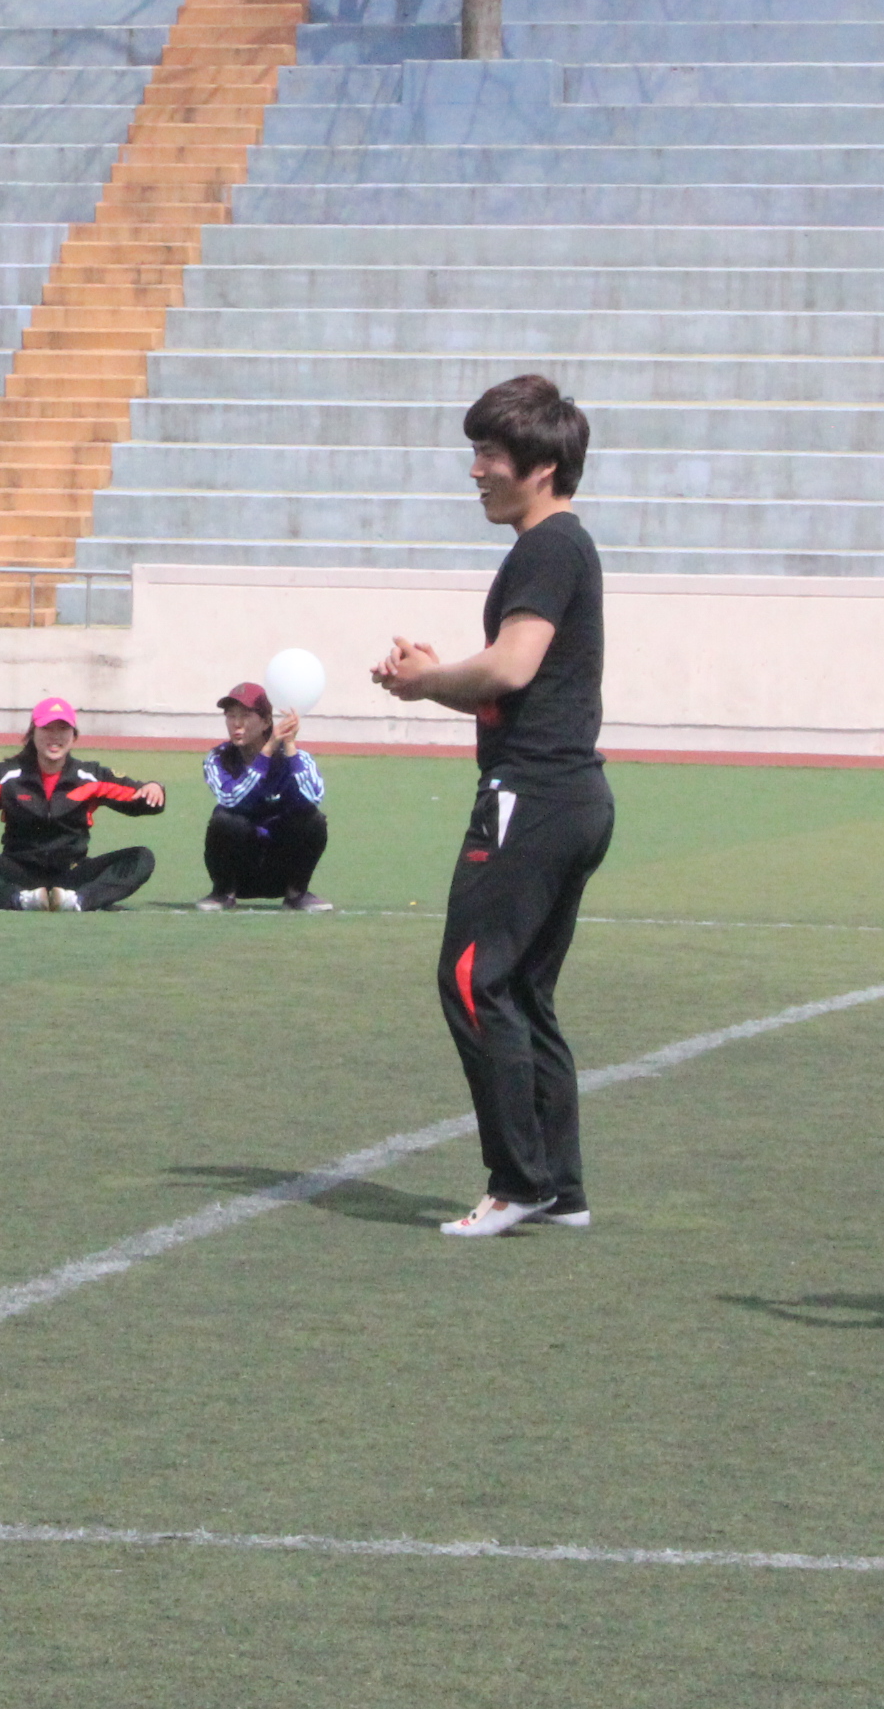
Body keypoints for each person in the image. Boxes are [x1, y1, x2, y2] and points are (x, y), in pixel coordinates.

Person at [374, 374, 611, 1240]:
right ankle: (559, 1187)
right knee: (521, 990)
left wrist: (429, 678)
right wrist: (435, 681)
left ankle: (517, 1184)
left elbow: (510, 667)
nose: (475, 471)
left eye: (489, 454)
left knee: (473, 979)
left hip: (533, 797)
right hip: (567, 794)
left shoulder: (547, 548)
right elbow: (511, 688)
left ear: (541, 466)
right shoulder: (559, 548)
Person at [0, 697, 167, 910]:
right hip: (18, 873)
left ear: (74, 736)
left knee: (141, 857)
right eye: (47, 728)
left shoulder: (91, 775)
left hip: (72, 876)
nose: (55, 736)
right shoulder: (10, 774)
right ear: (32, 733)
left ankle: (79, 901)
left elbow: (139, 797)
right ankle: (16, 900)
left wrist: (154, 788)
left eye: (63, 729)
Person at [194, 681, 332, 912]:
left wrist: (289, 746)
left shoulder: (298, 757)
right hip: (241, 873)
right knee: (224, 820)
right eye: (231, 716)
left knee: (314, 820)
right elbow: (231, 799)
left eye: (246, 715)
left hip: (280, 871)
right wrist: (266, 752)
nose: (237, 723)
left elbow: (313, 798)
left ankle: (296, 894)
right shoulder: (218, 758)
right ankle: (223, 893)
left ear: (267, 722)